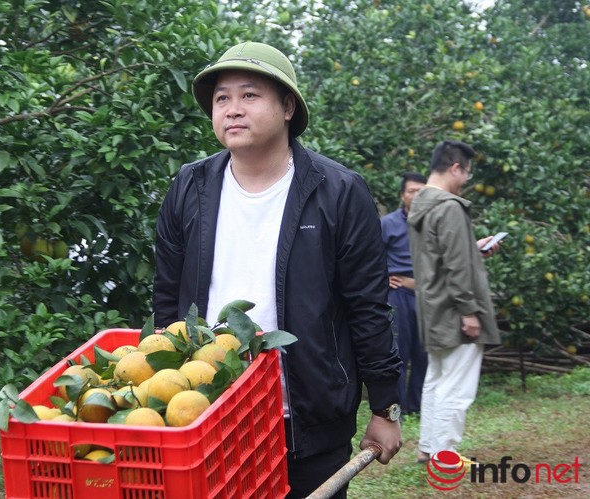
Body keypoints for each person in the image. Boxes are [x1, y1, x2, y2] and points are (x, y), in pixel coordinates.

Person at [152, 41, 402, 498]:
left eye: (249, 95)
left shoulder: (339, 192)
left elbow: (367, 307)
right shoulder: (190, 186)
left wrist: (386, 408)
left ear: (287, 106)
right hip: (209, 411)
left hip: (307, 416)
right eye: (221, 98)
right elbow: (168, 299)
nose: (232, 109)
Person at [407, 140, 502, 464]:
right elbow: (456, 266)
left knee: (437, 379)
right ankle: (443, 453)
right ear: (455, 168)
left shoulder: (422, 205)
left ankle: (428, 448)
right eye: (467, 173)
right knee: (457, 387)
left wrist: (471, 247)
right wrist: (470, 310)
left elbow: (440, 256)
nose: (467, 181)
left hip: (433, 306)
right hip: (454, 308)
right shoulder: (449, 206)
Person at [381, 172, 428, 415]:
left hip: (428, 295)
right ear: (402, 195)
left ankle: (417, 406)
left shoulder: (434, 223)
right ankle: (397, 408)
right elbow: (371, 256)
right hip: (397, 295)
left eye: (422, 191)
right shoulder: (388, 223)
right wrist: (382, 278)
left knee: (424, 352)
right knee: (399, 351)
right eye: (412, 191)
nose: (417, 196)